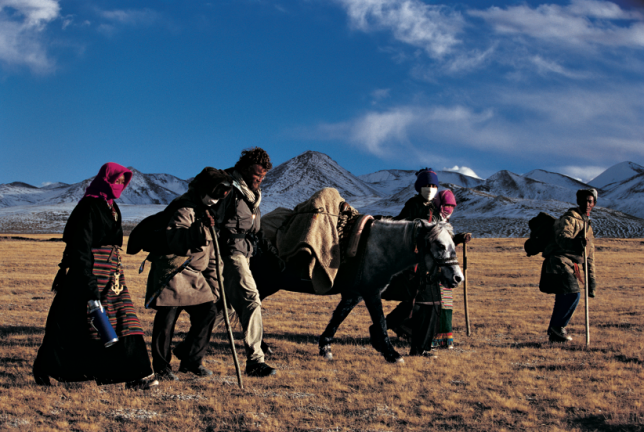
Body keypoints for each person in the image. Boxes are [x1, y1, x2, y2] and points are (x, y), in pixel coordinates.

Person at [33, 163, 156, 389]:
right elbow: (81, 248)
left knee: (125, 319)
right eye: (116, 180)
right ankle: (45, 368)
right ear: (106, 180)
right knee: (75, 325)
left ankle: (139, 374)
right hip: (91, 272)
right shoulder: (89, 207)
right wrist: (89, 284)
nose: (119, 185)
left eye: (123, 182)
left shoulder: (112, 206)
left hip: (113, 276)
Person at [147, 168, 232, 380]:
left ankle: (191, 361)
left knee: (208, 313)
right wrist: (200, 229)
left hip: (196, 276)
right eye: (213, 195)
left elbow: (213, 255)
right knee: (167, 320)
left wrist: (215, 284)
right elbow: (176, 240)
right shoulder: (183, 208)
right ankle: (162, 368)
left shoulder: (210, 213)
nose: (214, 200)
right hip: (174, 272)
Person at [216, 147, 281, 377]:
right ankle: (255, 361)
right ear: (243, 169)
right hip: (230, 253)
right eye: (257, 174)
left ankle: (191, 350)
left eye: (263, 176)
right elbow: (214, 223)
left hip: (245, 254)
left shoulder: (253, 196)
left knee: (220, 307)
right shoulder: (227, 190)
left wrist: (273, 256)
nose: (260, 179)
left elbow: (257, 232)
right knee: (252, 300)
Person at [539, 188, 597, 343]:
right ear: (578, 201)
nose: (587, 203)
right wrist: (575, 243)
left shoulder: (588, 227)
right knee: (573, 294)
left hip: (572, 265)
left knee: (564, 297)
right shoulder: (570, 219)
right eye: (584, 200)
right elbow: (561, 237)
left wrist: (591, 282)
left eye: (590, 201)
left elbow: (588, 258)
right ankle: (558, 328)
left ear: (594, 203)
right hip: (559, 262)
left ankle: (554, 334)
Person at [431, 190, 471, 349]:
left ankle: (445, 338)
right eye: (446, 205)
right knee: (436, 303)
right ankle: (433, 337)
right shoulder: (431, 219)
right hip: (435, 267)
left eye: (451, 206)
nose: (448, 208)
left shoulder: (445, 222)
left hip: (446, 266)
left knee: (446, 303)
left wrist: (458, 239)